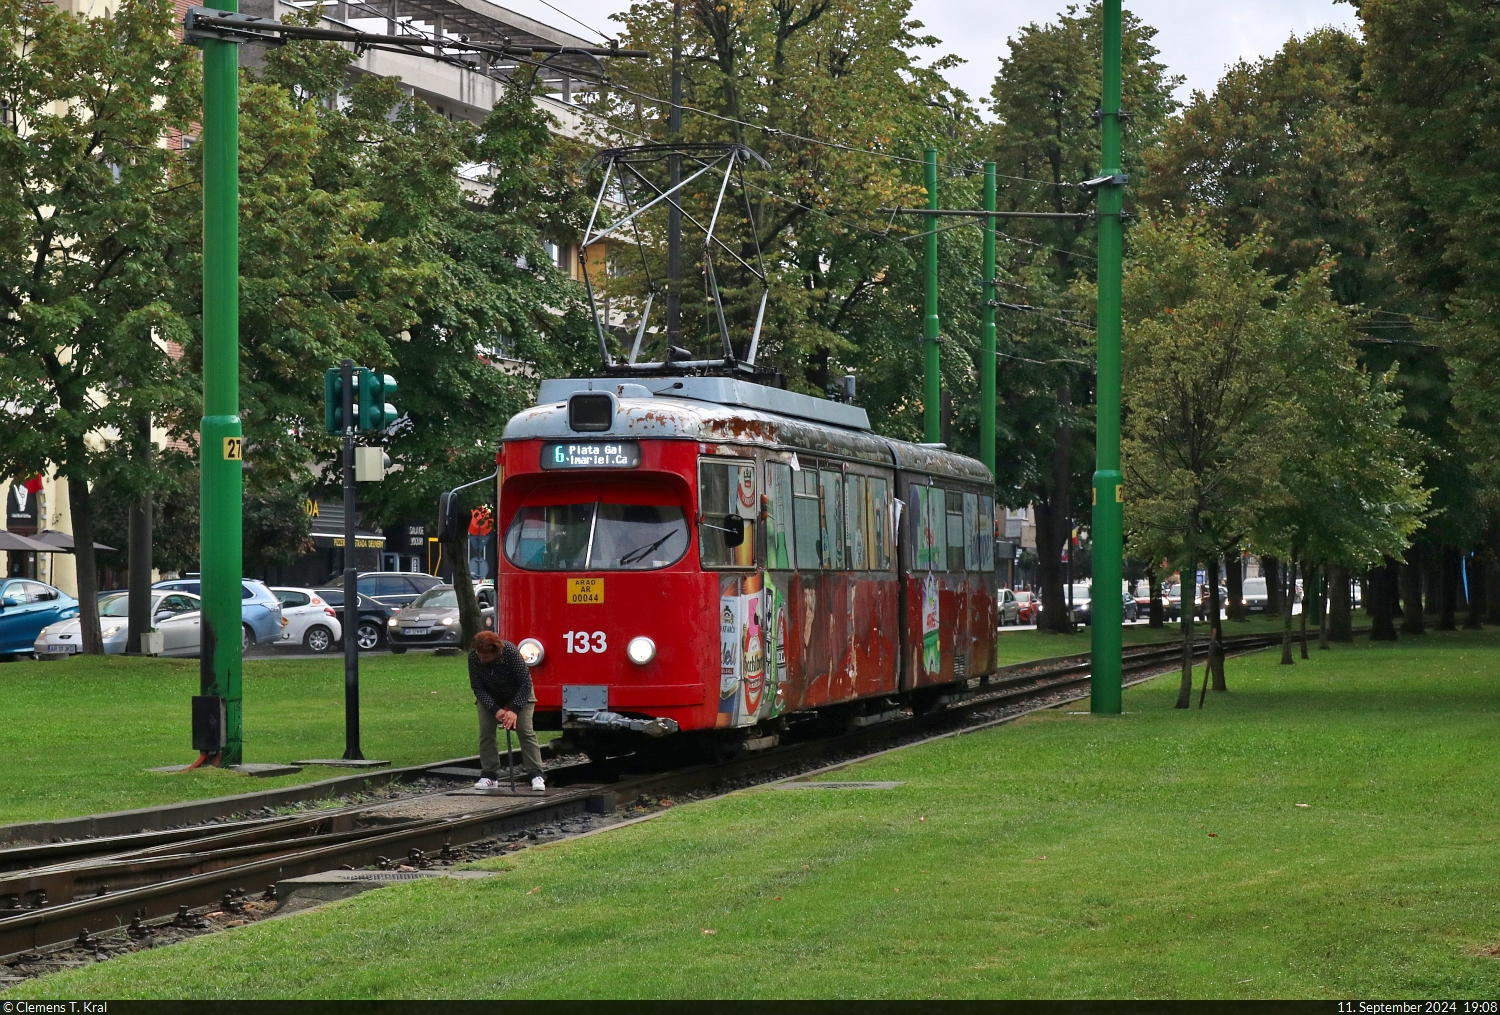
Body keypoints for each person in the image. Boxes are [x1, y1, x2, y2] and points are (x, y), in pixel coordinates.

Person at [468, 630, 544, 792]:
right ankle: (489, 775)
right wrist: (495, 710)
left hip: (518, 693)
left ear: (496, 652)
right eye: (480, 655)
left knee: (525, 730)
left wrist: (514, 710)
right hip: (490, 694)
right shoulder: (474, 656)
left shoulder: (510, 652)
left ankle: (535, 774)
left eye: (486, 657)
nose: (482, 659)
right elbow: (477, 686)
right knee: (486, 732)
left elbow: (525, 683)